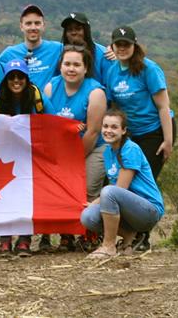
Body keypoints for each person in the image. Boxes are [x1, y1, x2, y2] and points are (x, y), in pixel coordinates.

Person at [102, 25, 175, 252]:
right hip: (129, 134)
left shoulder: (148, 69)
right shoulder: (112, 71)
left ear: (135, 45)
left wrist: (168, 140)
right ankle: (127, 235)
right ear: (113, 46)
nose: (123, 48)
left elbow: (163, 106)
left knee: (141, 184)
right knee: (118, 183)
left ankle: (142, 236)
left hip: (154, 132)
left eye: (127, 44)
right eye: (119, 44)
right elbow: (112, 106)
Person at [43, 44, 107, 252]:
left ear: (85, 68)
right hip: (61, 150)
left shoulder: (95, 92)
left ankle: (91, 234)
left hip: (93, 148)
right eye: (67, 64)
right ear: (60, 66)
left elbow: (93, 132)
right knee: (62, 189)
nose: (71, 69)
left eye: (77, 65)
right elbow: (47, 125)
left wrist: (74, 160)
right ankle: (67, 235)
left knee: (87, 188)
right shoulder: (51, 87)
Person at [80, 109, 164, 258]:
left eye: (114, 127)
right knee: (88, 216)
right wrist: (92, 205)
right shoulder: (108, 152)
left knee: (108, 191)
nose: (108, 131)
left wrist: (96, 201)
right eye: (105, 126)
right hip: (127, 209)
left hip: (148, 210)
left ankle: (108, 246)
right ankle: (130, 236)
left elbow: (119, 189)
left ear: (123, 130)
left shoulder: (130, 149)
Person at [0, 59, 55, 257]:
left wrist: (71, 129)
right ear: (6, 80)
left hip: (31, 156)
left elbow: (54, 122)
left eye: (20, 76)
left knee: (26, 196)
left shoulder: (38, 99)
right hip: (6, 156)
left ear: (27, 79)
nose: (16, 81)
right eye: (11, 77)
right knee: (6, 195)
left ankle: (24, 239)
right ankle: (5, 239)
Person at [0, 4, 63, 90]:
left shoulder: (57, 49)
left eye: (37, 23)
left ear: (43, 25)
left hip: (48, 98)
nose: (33, 27)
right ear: (21, 26)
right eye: (28, 23)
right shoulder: (9, 53)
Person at [60, 12, 111, 80]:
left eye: (78, 29)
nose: (73, 32)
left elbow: (109, 83)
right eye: (69, 29)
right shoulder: (59, 52)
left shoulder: (104, 54)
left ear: (86, 30)